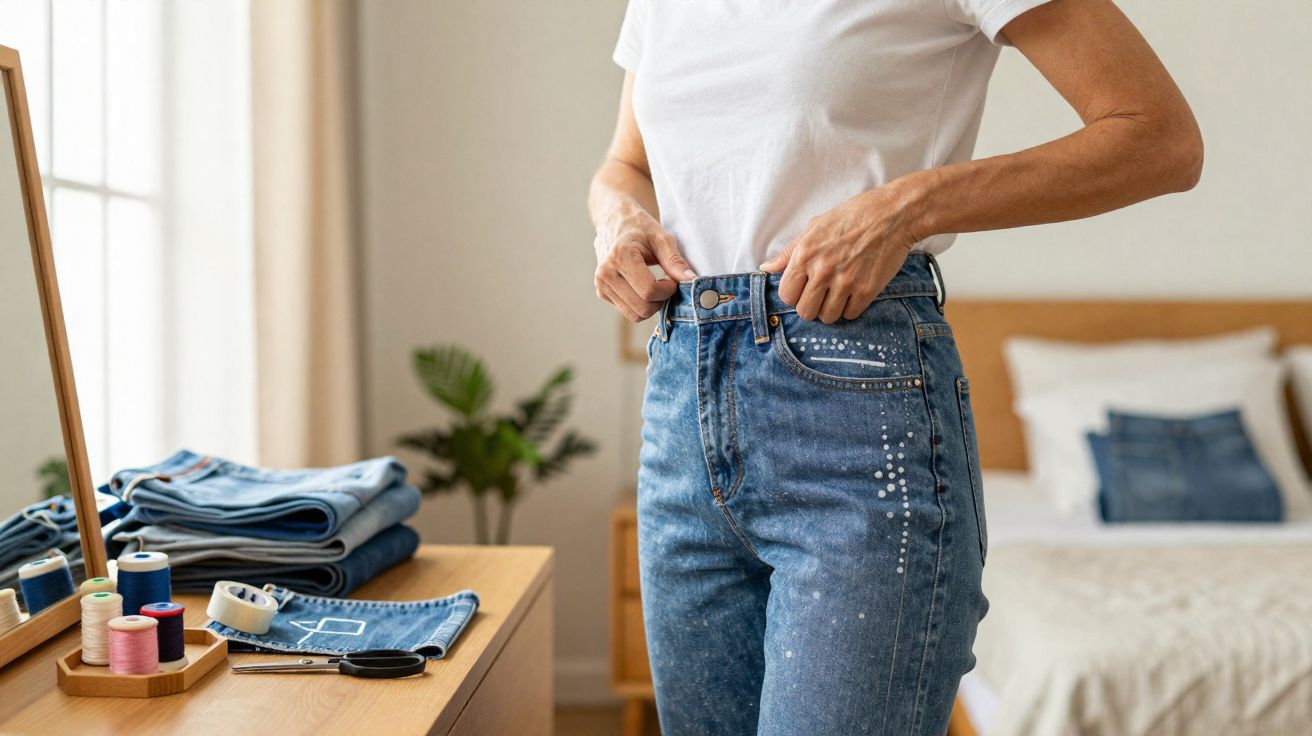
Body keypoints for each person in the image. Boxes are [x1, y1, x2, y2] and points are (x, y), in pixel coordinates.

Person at [587, 1, 1201, 733]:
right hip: (681, 403)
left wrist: (906, 207)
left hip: (856, 409)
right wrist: (618, 219)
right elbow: (627, 164)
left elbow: (1159, 137)